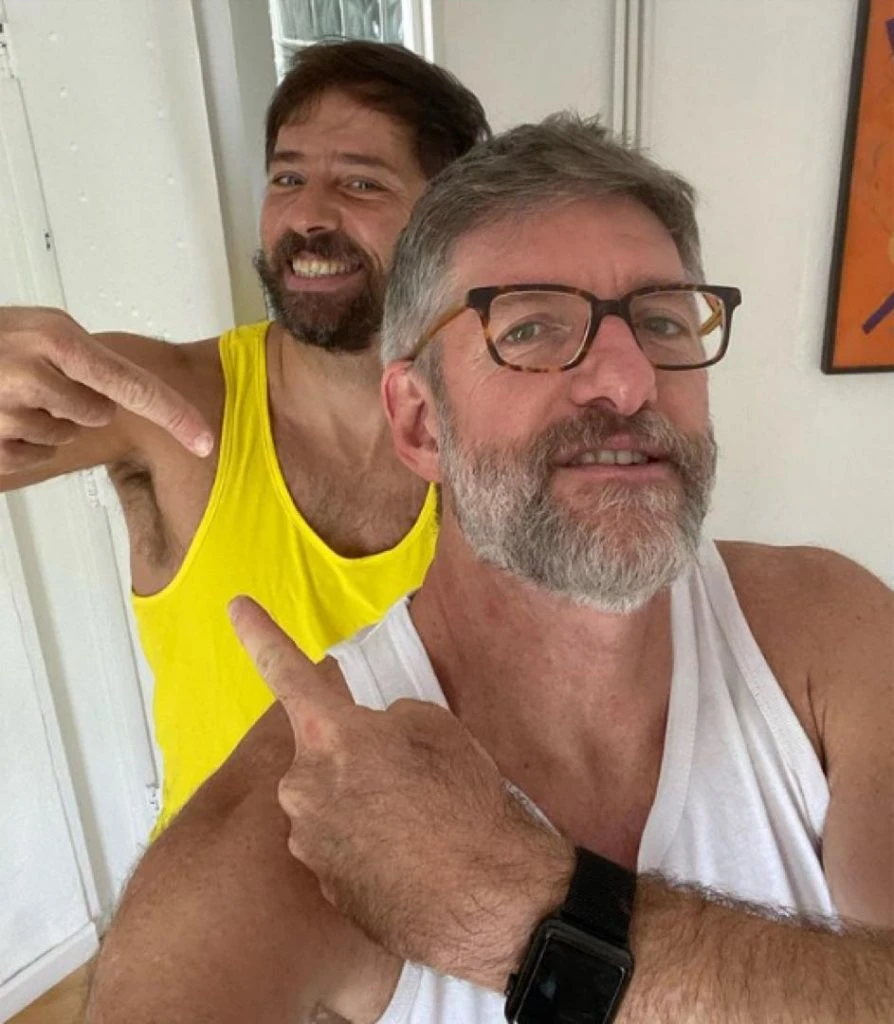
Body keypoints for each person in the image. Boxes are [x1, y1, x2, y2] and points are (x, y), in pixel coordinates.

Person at [86, 116, 893, 1023]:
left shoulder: (828, 631)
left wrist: (519, 907)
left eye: (664, 320)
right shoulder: (301, 825)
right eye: (534, 326)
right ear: (419, 422)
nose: (628, 382)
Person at [0, 40, 490, 828]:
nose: (306, 215)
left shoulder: (497, 429)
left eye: (360, 182)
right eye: (287, 178)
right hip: (211, 899)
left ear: (450, 222)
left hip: (437, 889)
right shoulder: (167, 401)